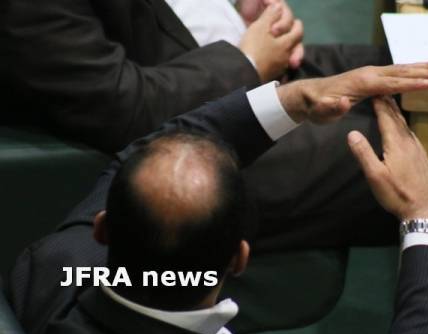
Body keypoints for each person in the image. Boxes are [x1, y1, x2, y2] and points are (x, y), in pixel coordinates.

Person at [8, 64, 428, 334]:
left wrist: (295, 99)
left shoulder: (51, 267)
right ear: (239, 260)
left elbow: (144, 153)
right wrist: (424, 213)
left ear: (102, 228)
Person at [0, 0, 397, 250]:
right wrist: (247, 63)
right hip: (173, 144)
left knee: (401, 68)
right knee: (397, 144)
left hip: (222, 62)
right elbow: (124, 109)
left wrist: (236, 9)